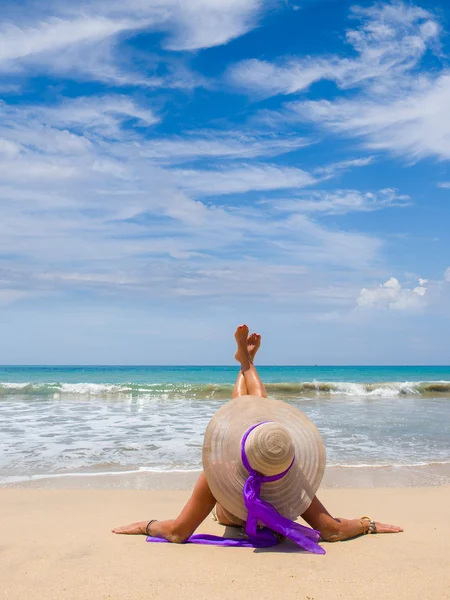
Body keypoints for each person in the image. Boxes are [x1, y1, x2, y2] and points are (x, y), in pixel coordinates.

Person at [112, 325, 403, 550]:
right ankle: (246, 361)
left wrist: (146, 525)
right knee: (258, 410)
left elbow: (177, 531)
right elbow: (332, 530)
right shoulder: (291, 476)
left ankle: (245, 361)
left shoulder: (219, 473)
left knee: (251, 410)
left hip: (227, 513)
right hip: (262, 502)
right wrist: (368, 524)